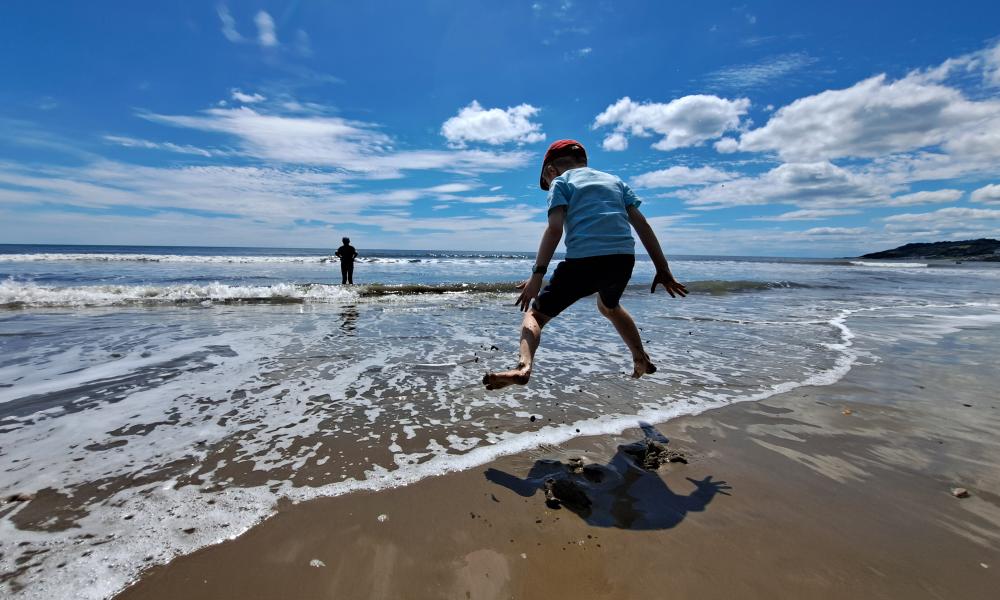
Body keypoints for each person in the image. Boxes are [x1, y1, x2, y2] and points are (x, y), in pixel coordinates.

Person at [483, 140, 687, 390]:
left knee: (535, 314)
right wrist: (663, 269)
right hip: (622, 260)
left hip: (584, 262)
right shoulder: (615, 182)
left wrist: (537, 275)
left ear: (550, 170)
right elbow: (642, 225)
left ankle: (523, 367)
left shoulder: (561, 182)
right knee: (609, 306)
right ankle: (640, 358)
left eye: (546, 182)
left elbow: (555, 229)